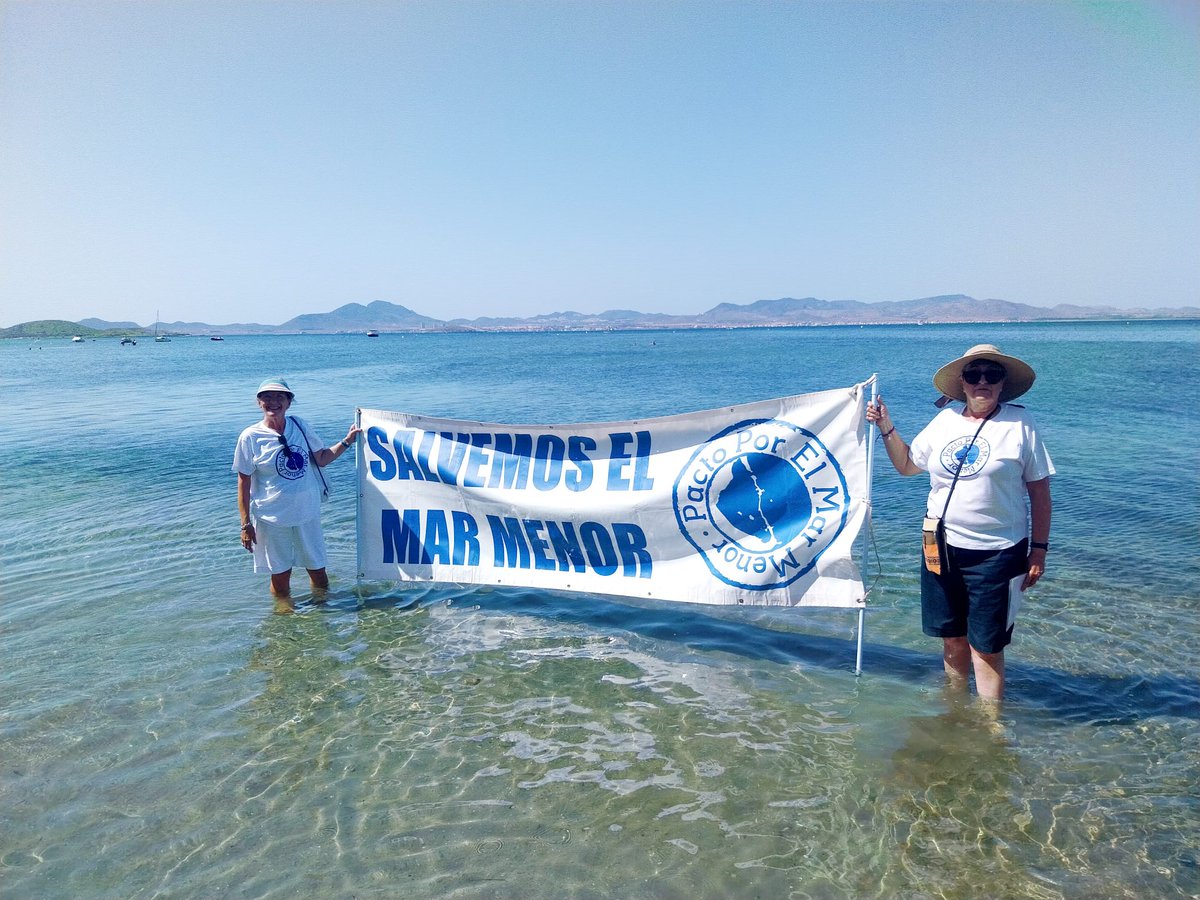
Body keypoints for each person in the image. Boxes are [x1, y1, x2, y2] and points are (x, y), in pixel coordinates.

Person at [866, 345, 1054, 701]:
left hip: (997, 553)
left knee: (986, 647)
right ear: (962, 384)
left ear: (1002, 384)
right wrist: (885, 426)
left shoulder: (1020, 424)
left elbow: (1040, 493)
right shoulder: (944, 421)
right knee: (952, 639)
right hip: (940, 548)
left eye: (991, 375)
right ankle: (954, 710)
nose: (982, 382)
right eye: (973, 375)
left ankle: (990, 727)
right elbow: (907, 466)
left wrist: (1039, 551)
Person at [233, 377, 361, 603]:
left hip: (306, 514)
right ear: (258, 403)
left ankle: (321, 618)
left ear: (289, 402)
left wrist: (348, 441)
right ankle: (284, 625)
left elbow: (321, 458)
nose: (273, 402)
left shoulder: (300, 426)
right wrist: (245, 524)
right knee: (280, 578)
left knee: (319, 575)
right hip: (271, 518)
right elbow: (243, 482)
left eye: (279, 397)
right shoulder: (250, 437)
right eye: (267, 397)